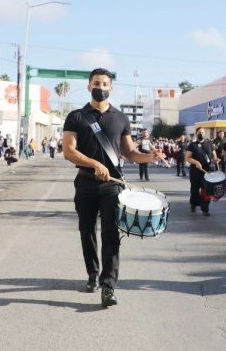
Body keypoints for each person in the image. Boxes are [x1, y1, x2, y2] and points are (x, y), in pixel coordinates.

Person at [62, 68, 164, 307]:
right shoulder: (76, 117)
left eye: (105, 83)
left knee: (111, 236)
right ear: (89, 86)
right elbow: (68, 151)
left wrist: (150, 157)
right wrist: (94, 163)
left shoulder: (120, 118)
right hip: (85, 183)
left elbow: (129, 152)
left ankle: (108, 286)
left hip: (111, 187)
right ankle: (92, 274)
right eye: (97, 83)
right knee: (86, 231)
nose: (101, 87)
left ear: (111, 88)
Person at [186, 127, 217, 216]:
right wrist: (196, 162)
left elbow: (214, 154)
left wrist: (216, 160)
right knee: (194, 189)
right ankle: (193, 204)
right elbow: (187, 157)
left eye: (203, 132)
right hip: (195, 171)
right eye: (199, 132)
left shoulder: (210, 143)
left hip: (207, 171)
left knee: (206, 190)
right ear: (196, 133)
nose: (201, 133)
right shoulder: (192, 145)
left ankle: (205, 209)